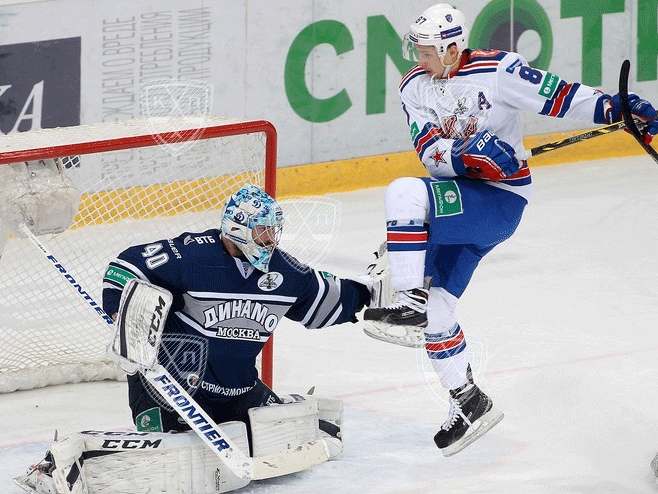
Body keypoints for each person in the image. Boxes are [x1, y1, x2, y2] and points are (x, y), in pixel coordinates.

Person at [363, 3, 658, 456]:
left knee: (404, 195)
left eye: (425, 52)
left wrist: (613, 107)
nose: (417, 60)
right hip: (460, 198)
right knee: (438, 309)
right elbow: (430, 153)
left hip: (500, 200)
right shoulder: (414, 86)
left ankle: (407, 300)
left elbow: (559, 96)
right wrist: (466, 156)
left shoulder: (498, 70)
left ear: (452, 48)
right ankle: (467, 401)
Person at [101, 184, 371, 441]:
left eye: (273, 230)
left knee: (290, 437)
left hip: (238, 390)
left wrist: (371, 289)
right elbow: (124, 269)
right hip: (170, 387)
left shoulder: (285, 270)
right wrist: (122, 317)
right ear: (237, 227)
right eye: (263, 230)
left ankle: (273, 407)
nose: (270, 239)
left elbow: (328, 299)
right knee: (172, 450)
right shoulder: (191, 256)